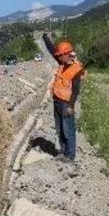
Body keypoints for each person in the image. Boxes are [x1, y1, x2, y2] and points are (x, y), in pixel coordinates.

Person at [42, 33, 86, 162]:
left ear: (67, 54)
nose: (59, 57)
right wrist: (45, 37)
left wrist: (71, 106)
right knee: (60, 129)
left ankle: (70, 156)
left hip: (66, 104)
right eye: (59, 56)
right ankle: (62, 152)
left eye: (61, 55)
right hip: (57, 101)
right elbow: (52, 51)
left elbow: (76, 89)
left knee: (68, 130)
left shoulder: (76, 68)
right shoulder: (62, 62)